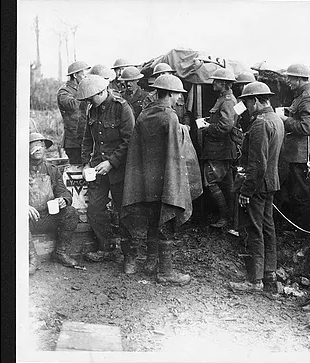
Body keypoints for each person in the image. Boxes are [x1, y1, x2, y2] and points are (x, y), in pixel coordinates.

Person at [121, 74, 202, 284]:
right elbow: (175, 154)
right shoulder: (170, 117)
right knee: (166, 220)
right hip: (165, 179)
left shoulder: (143, 114)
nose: (178, 99)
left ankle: (150, 261)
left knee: (152, 218)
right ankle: (165, 272)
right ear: (171, 93)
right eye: (177, 95)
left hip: (146, 182)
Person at [228, 82, 284, 293]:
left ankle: (254, 280)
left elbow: (257, 164)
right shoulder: (276, 119)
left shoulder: (260, 123)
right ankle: (270, 273)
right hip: (270, 183)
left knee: (254, 229)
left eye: (247, 102)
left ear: (256, 101)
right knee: (268, 227)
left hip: (257, 185)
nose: (246, 107)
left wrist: (246, 191)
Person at [76, 74, 135, 271]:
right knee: (94, 208)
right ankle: (107, 246)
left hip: (119, 169)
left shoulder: (121, 107)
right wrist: (86, 164)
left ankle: (130, 256)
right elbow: (87, 140)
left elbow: (129, 141)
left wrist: (111, 162)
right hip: (97, 168)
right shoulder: (91, 109)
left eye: (91, 98)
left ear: (102, 92)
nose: (89, 103)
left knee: (123, 212)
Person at [28, 132, 80, 274]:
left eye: (41, 146)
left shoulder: (52, 170)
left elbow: (64, 192)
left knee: (71, 212)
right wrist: (22, 206)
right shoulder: (18, 169)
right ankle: (33, 259)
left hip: (49, 217)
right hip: (29, 221)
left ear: (45, 149)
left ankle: (60, 253)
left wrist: (63, 200)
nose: (37, 149)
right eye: (33, 145)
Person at [277, 63, 310, 230]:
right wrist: (288, 112)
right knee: (295, 191)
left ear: (300, 79)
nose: (288, 81)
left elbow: (306, 128)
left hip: (303, 155)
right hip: (297, 153)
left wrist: (284, 120)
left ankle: (302, 229)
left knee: (300, 194)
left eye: (291, 78)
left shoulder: (308, 97)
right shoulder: (301, 95)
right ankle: (296, 226)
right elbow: (300, 113)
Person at [199, 67, 238, 229]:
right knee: (228, 184)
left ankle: (225, 217)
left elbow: (226, 125)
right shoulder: (224, 99)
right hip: (221, 149)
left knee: (211, 181)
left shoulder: (227, 100)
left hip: (219, 149)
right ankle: (231, 217)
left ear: (223, 83)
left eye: (216, 80)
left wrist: (208, 127)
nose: (213, 83)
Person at [57, 60, 91, 165]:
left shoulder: (83, 89)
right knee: (77, 171)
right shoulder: (64, 91)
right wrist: (83, 90)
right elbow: (72, 105)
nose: (86, 77)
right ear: (75, 75)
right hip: (74, 142)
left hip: (86, 138)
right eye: (84, 75)